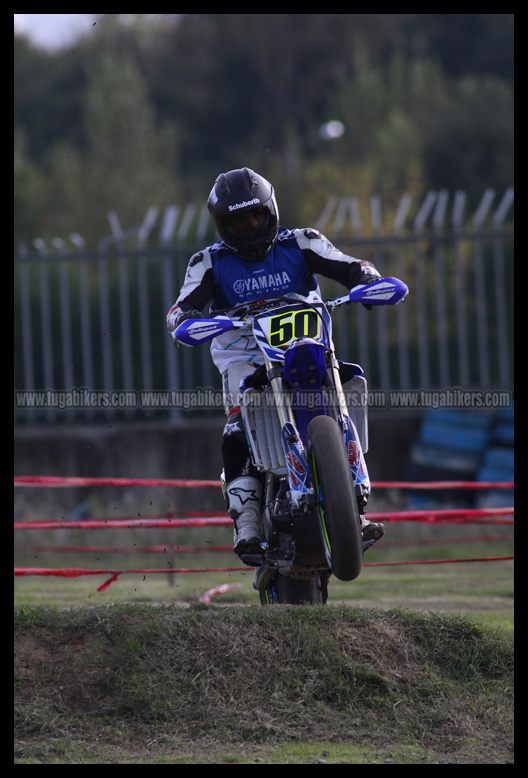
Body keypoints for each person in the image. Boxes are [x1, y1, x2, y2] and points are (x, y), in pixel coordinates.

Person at [167, 167, 385, 561]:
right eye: (238, 220)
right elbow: (182, 306)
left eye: (255, 216)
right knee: (237, 422)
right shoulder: (208, 263)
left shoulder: (303, 242)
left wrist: (367, 280)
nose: (250, 227)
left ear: (270, 211)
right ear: (222, 223)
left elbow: (349, 264)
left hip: (307, 345)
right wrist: (185, 321)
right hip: (244, 356)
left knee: (343, 397)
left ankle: (355, 508)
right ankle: (247, 520)